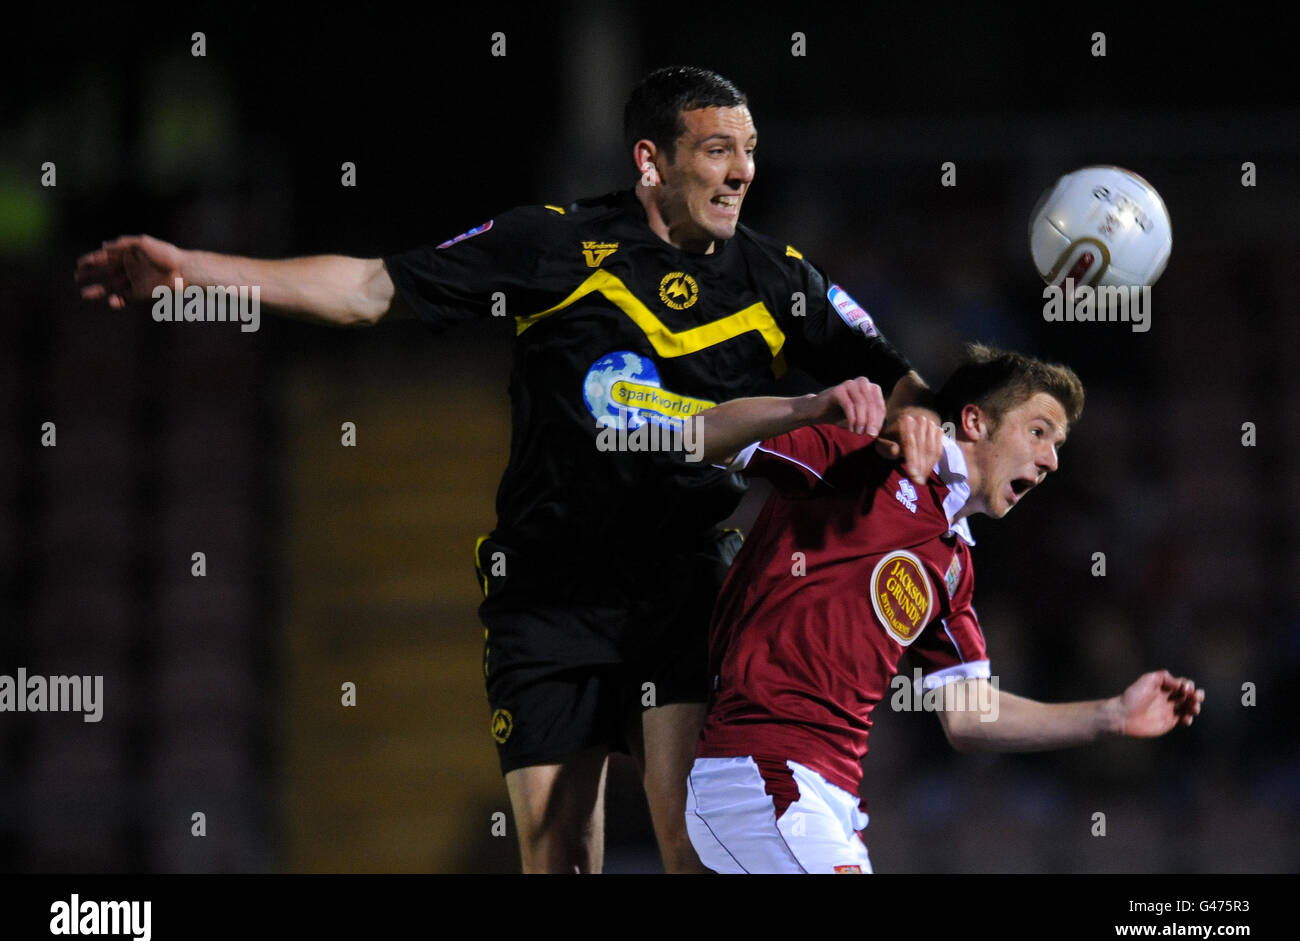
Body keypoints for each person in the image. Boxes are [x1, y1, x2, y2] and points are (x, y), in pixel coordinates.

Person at [74, 66, 944, 874]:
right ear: (651, 160)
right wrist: (193, 272)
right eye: (718, 150)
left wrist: (918, 431)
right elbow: (372, 289)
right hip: (546, 592)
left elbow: (906, 381)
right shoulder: (550, 245)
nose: (742, 172)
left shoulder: (779, 278)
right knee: (558, 854)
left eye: (750, 152)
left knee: (696, 841)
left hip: (683, 587)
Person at [682, 345, 1205, 873]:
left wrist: (1110, 713)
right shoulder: (867, 457)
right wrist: (808, 408)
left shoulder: (953, 565)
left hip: (831, 802)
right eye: (1039, 431)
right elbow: (693, 437)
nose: (1052, 460)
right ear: (975, 421)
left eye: (1058, 444)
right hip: (761, 775)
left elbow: (969, 718)